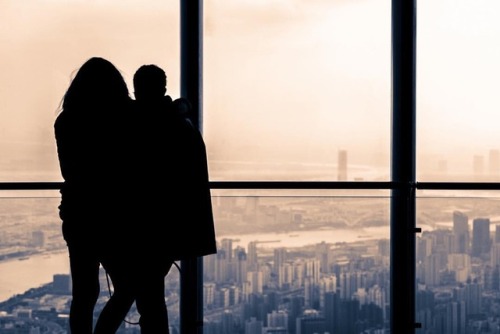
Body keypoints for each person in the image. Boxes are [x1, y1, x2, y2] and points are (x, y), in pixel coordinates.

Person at [128, 64, 217, 333]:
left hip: (142, 224)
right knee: (152, 298)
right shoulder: (182, 126)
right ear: (164, 88)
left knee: (147, 299)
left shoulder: (138, 125)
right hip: (170, 226)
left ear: (136, 89)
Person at [54, 56, 133, 334]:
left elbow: (71, 172)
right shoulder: (125, 118)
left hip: (78, 215)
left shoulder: (66, 121)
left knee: (84, 294)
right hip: (116, 215)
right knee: (129, 285)